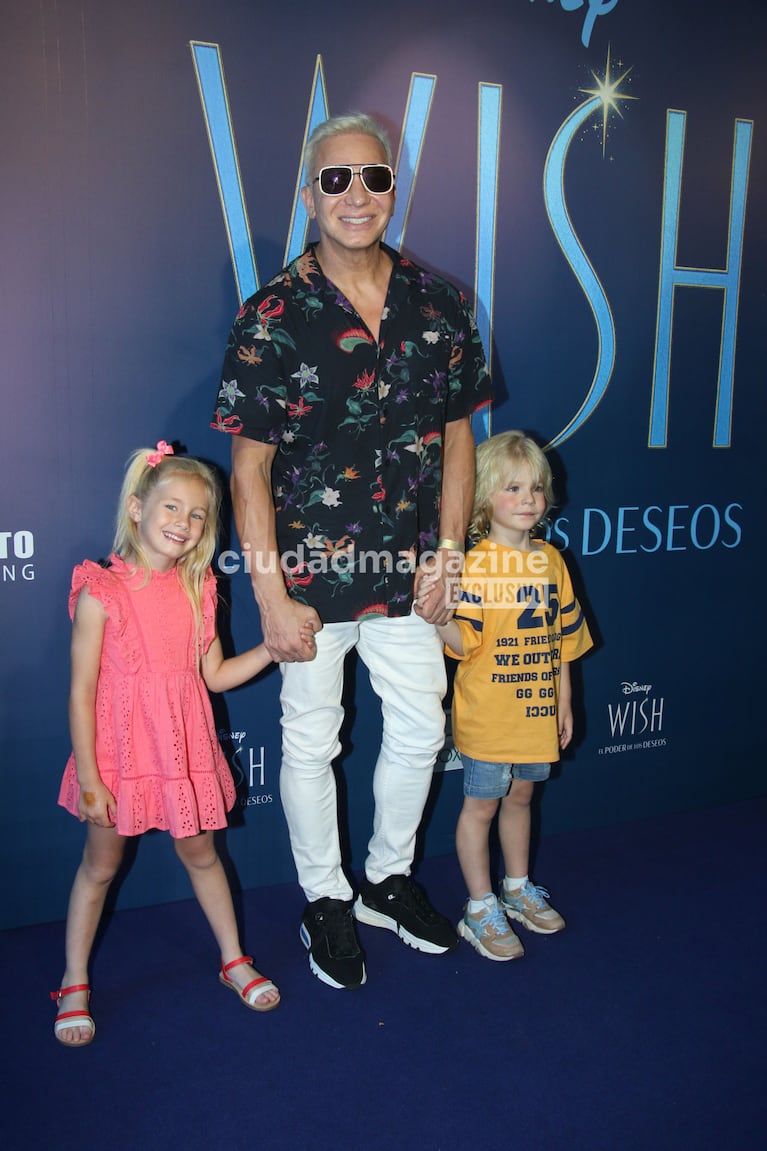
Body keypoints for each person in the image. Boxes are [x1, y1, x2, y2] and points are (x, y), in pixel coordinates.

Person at [212, 112, 492, 990]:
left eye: (371, 178)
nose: (355, 195)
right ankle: (324, 897)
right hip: (309, 576)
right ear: (308, 197)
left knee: (418, 733)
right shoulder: (270, 315)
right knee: (309, 739)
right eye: (335, 181)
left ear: (391, 188)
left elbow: (459, 442)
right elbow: (247, 470)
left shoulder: (441, 303)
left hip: (411, 569)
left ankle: (385, 879)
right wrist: (267, 593)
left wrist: (449, 551)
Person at [51, 443, 312, 1046]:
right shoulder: (101, 589)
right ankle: (73, 979)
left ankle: (232, 958)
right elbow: (81, 691)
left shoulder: (199, 591)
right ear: (137, 508)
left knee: (202, 856)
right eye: (172, 507)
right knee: (100, 866)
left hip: (181, 751)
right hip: (117, 755)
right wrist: (91, 777)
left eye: (197, 515)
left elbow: (214, 676)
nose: (184, 524)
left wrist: (272, 648)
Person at [432, 431, 593, 960]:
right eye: (513, 488)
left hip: (538, 714)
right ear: (483, 499)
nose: (528, 499)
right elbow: (464, 642)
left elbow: (564, 642)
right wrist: (437, 618)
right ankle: (479, 907)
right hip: (488, 718)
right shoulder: (474, 565)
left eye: (537, 488)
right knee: (480, 806)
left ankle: (517, 887)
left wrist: (564, 702)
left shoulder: (552, 561)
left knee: (522, 798)